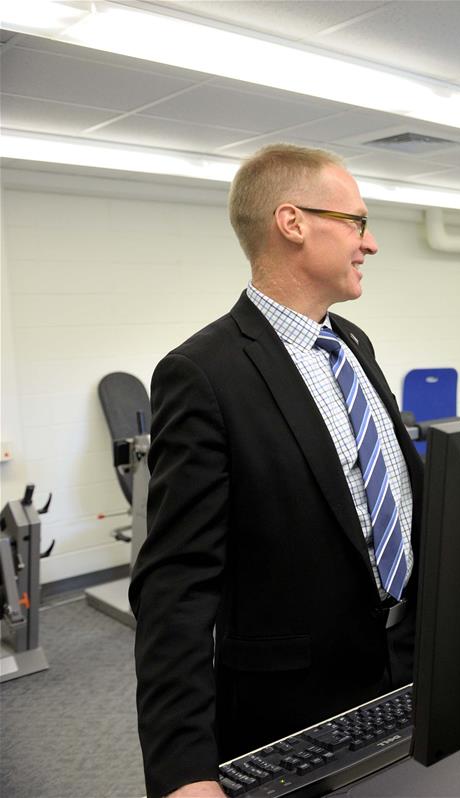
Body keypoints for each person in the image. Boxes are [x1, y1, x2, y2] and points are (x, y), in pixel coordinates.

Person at [129, 144, 423, 798]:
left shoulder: (352, 344)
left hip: (402, 674)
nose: (369, 243)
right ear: (292, 223)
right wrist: (183, 774)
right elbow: (175, 584)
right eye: (356, 222)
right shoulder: (203, 373)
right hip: (294, 710)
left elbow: (391, 498)